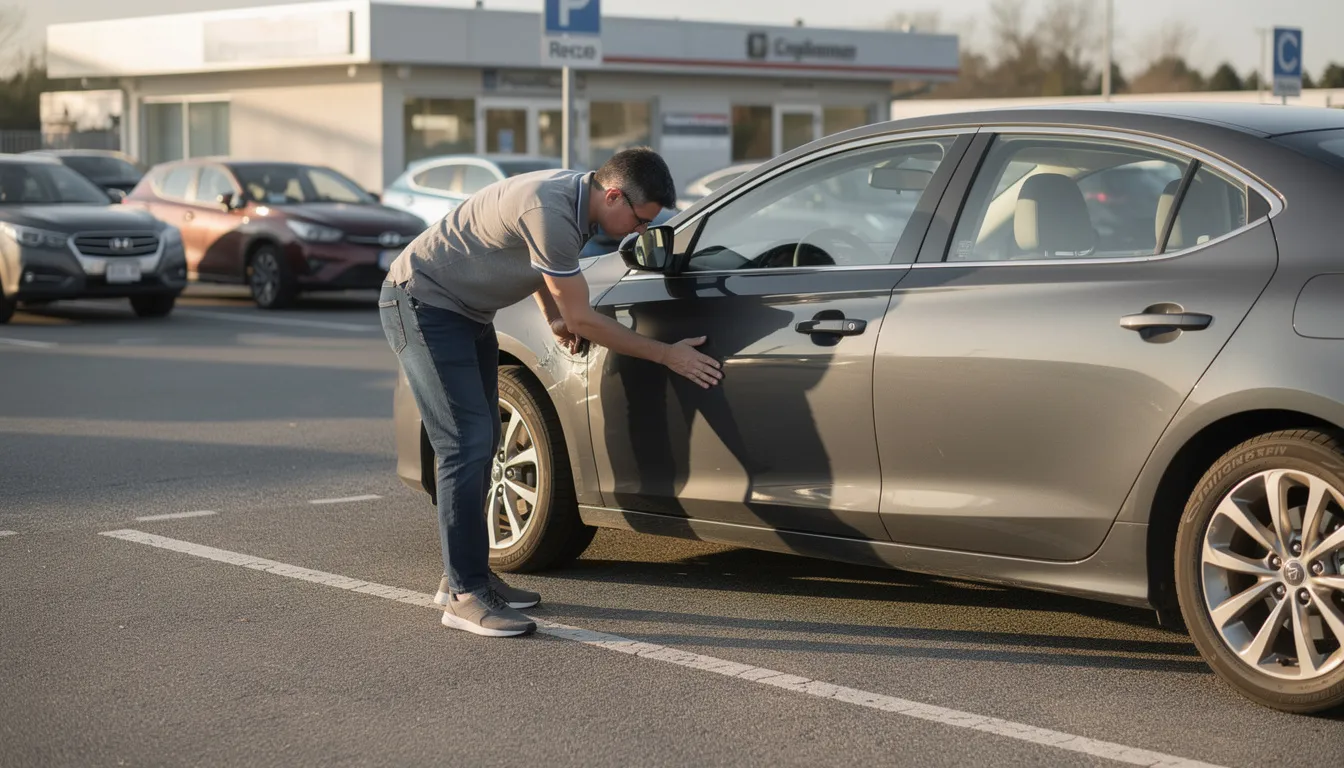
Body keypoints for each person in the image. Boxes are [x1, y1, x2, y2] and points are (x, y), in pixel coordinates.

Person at [379, 147, 723, 638]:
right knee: (465, 444)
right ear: (613, 195)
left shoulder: (579, 205)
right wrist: (669, 355)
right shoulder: (552, 209)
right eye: (640, 219)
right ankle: (463, 596)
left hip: (466, 313)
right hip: (422, 304)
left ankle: (467, 577)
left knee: (483, 443)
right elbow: (583, 315)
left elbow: (537, 262)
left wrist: (553, 315)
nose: (640, 232)